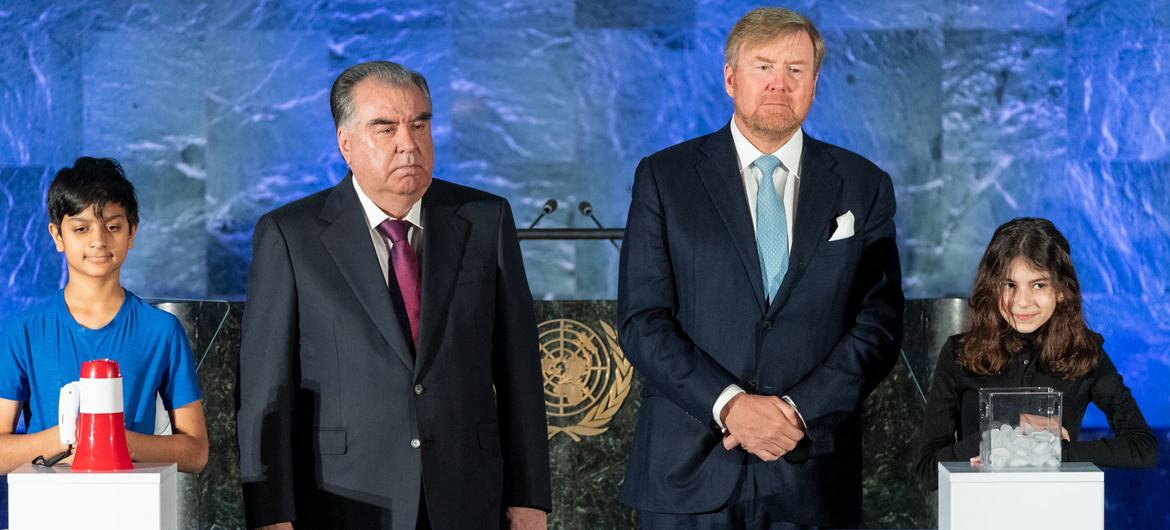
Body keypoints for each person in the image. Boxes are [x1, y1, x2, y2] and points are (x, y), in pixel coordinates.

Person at [617, 7, 904, 529]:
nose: (779, 83)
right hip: (688, 472)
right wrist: (730, 406)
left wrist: (796, 410)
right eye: (763, 67)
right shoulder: (664, 177)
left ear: (815, 83)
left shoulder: (864, 185)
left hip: (811, 473)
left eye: (796, 70)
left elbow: (878, 325)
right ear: (731, 78)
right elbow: (643, 319)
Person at [236, 61, 551, 530]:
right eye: (385, 128)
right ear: (345, 143)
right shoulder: (290, 235)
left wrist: (529, 498)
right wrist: (271, 514)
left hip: (467, 495)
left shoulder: (486, 220)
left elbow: (520, 372)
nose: (409, 143)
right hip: (345, 498)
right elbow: (264, 390)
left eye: (420, 124)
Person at [0, 157, 209, 476]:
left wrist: (113, 440)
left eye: (113, 226)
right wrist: (72, 435)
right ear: (57, 236)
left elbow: (196, 452)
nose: (98, 240)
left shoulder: (161, 330)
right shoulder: (23, 332)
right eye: (81, 228)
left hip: (134, 510)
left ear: (132, 232)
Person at [915, 217, 1158, 490]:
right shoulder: (959, 353)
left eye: (1038, 284)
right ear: (992, 287)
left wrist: (1057, 451)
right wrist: (1001, 436)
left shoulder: (1086, 354)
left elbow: (1143, 447)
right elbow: (927, 472)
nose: (1021, 301)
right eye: (1009, 285)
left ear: (1063, 291)